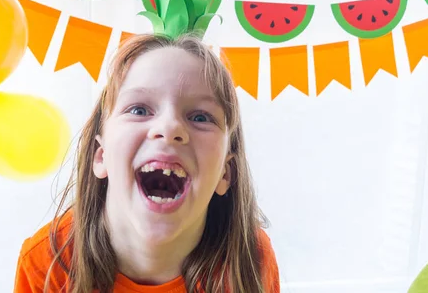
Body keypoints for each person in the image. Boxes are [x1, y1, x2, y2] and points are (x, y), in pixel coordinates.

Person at [14, 33, 280, 293]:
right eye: (139, 110)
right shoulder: (46, 263)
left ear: (226, 173)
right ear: (101, 155)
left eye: (200, 117)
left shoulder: (250, 258)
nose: (169, 127)